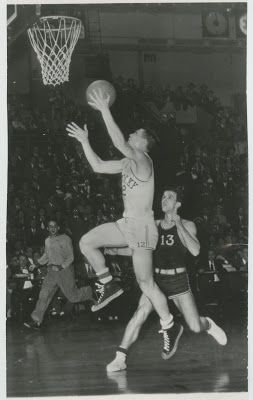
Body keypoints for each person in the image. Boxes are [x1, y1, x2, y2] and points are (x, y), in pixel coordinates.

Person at [66, 88, 182, 360]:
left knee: (146, 284)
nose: (130, 135)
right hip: (127, 223)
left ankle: (169, 325)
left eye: (134, 134)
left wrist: (105, 109)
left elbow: (121, 144)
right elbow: (97, 166)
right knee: (86, 242)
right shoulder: (126, 164)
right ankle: (107, 283)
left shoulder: (143, 161)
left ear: (143, 143)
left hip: (142, 228)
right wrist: (84, 141)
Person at [106, 186, 227, 372]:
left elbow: (195, 250)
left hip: (178, 280)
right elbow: (137, 250)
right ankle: (120, 357)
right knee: (140, 313)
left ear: (177, 204)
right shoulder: (153, 225)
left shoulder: (188, 225)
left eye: (169, 197)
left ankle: (208, 324)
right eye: (163, 196)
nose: (164, 199)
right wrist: (114, 250)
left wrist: (177, 223)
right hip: (157, 281)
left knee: (195, 327)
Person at [24, 220, 93, 329]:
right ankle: (36, 320)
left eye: (55, 226)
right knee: (44, 295)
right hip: (51, 271)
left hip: (64, 271)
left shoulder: (66, 239)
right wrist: (36, 264)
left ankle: (90, 291)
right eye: (50, 226)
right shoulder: (47, 240)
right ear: (47, 228)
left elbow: (71, 257)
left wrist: (60, 266)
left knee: (73, 297)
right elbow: (47, 255)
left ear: (58, 227)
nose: (53, 228)